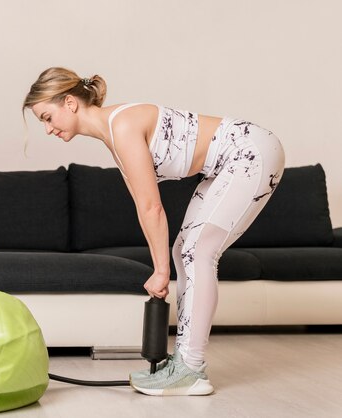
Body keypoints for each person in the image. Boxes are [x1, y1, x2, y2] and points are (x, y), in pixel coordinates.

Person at [22, 67, 285, 396]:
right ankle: (184, 365)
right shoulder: (113, 135)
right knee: (182, 251)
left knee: (198, 251)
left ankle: (191, 369)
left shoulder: (122, 126)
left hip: (249, 151)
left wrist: (160, 272)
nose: (48, 129)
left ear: (70, 103)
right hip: (227, 163)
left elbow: (152, 207)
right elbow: (143, 206)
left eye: (48, 117)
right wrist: (161, 266)